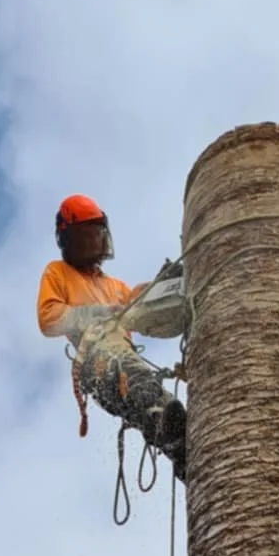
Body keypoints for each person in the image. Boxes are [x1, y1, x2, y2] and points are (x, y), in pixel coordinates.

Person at [38, 195, 186, 477]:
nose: (92, 243)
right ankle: (173, 438)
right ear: (68, 242)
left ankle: (186, 459)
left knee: (162, 405)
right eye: (84, 238)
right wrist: (96, 313)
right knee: (143, 390)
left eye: (95, 236)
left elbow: (138, 306)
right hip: (98, 361)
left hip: (125, 359)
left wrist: (165, 282)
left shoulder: (114, 286)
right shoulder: (58, 273)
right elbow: (48, 319)